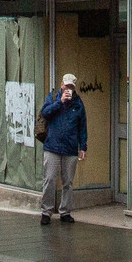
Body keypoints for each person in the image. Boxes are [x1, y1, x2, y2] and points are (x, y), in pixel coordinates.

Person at [37, 73, 87, 226]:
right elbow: (44, 113)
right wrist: (60, 102)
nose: (68, 89)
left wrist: (83, 146)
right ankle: (46, 212)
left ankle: (65, 212)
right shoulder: (52, 98)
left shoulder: (78, 104)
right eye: (66, 86)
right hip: (52, 146)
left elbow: (82, 126)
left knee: (68, 182)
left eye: (71, 87)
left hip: (70, 148)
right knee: (50, 179)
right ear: (61, 85)